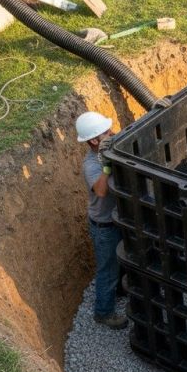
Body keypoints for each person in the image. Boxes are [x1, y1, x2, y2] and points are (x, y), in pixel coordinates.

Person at [76, 111, 128, 330]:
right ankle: (104, 313)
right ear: (94, 141)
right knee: (107, 270)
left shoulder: (110, 147)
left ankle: (120, 290)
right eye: (107, 133)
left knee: (122, 258)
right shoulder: (91, 164)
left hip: (118, 218)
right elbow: (100, 191)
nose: (112, 133)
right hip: (104, 226)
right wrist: (106, 166)